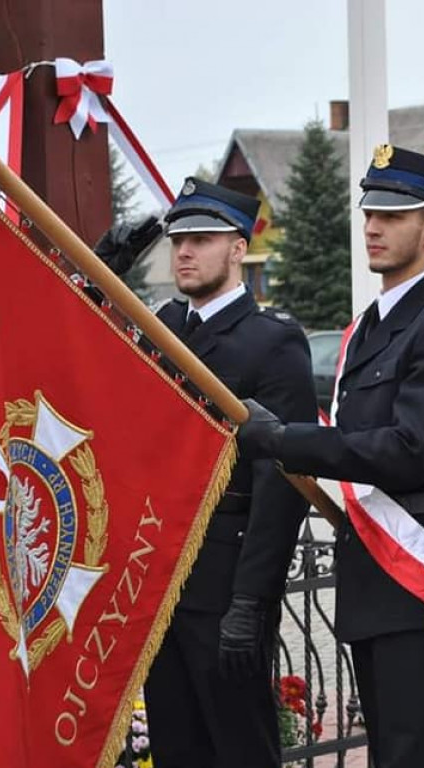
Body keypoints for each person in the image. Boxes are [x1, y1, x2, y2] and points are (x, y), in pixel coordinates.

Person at [237, 145, 424, 768]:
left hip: (420, 581)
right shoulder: (369, 327)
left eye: (393, 216)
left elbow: (407, 451)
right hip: (374, 581)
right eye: (370, 213)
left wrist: (285, 439)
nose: (373, 227)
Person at [95, 178, 317, 768]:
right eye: (177, 240)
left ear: (238, 249)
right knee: (175, 747)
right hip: (158, 573)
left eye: (201, 239)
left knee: (239, 747)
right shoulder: (162, 323)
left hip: (224, 582)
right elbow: (85, 348)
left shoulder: (273, 342)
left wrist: (251, 601)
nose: (184, 252)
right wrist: (106, 260)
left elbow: (282, 481)